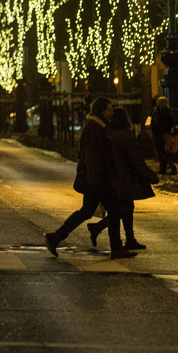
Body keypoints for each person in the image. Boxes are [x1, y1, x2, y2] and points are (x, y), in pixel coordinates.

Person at [45, 97, 137, 260]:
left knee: (86, 212)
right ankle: (116, 248)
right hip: (99, 180)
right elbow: (93, 156)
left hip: (96, 179)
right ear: (101, 111)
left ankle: (55, 237)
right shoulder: (95, 128)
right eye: (109, 110)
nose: (111, 113)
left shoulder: (96, 126)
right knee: (115, 210)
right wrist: (95, 181)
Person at [88, 107, 158, 250]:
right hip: (124, 178)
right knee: (122, 209)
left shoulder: (109, 134)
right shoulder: (124, 137)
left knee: (124, 208)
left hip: (114, 177)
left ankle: (128, 238)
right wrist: (150, 175)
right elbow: (135, 159)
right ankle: (108, 233)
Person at [150, 97, 175, 174]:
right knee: (163, 151)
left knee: (163, 151)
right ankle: (165, 167)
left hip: (162, 134)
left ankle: (165, 167)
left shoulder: (157, 112)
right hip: (161, 133)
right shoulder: (158, 111)